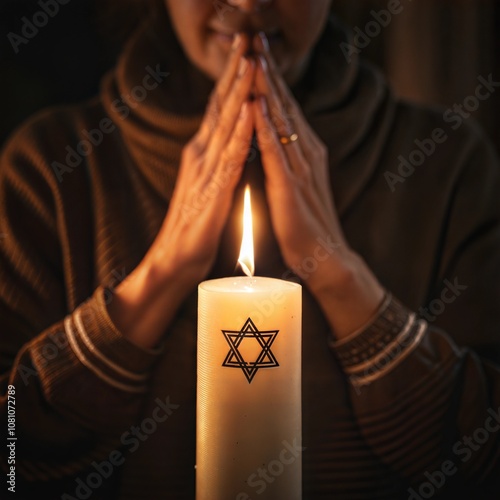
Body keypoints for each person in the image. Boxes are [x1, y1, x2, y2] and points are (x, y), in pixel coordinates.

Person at [1, 0, 499, 498]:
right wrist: (164, 271)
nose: (246, 3)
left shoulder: (448, 166)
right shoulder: (48, 172)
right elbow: (10, 457)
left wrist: (341, 276)